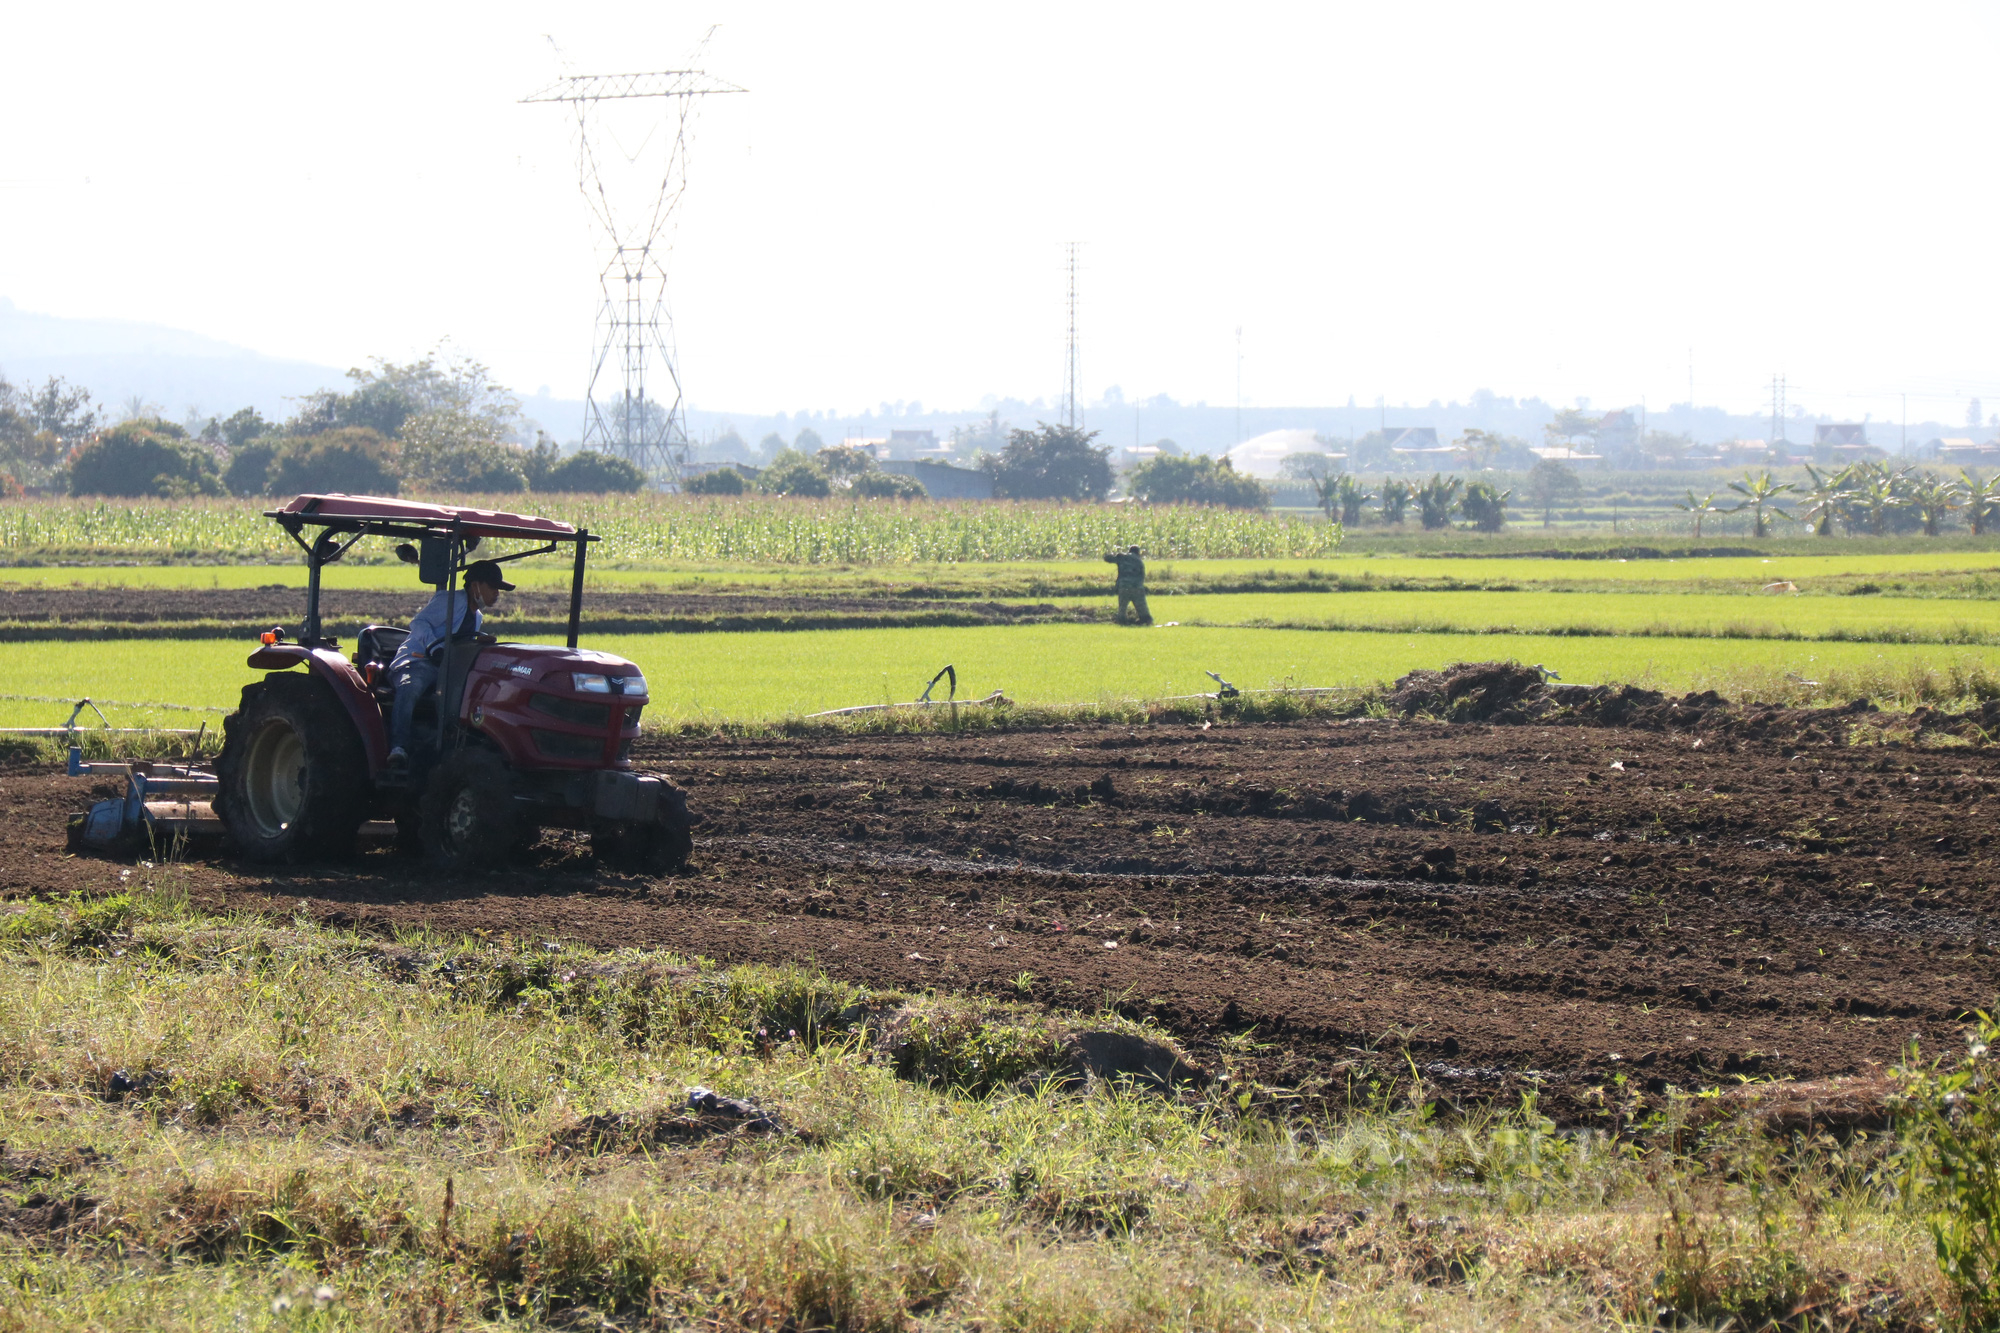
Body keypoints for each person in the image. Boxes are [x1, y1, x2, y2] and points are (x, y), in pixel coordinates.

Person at [387, 559, 513, 768]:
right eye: (492, 588)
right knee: (411, 686)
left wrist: (476, 641)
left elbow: (459, 642)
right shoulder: (450, 601)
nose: (497, 594)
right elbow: (418, 622)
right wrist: (435, 648)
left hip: (446, 670)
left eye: (499, 589)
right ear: (475, 586)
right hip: (419, 662)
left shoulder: (477, 617)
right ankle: (398, 747)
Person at [1103, 544, 1151, 624]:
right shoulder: (1139, 561)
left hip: (1124, 587)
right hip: (1137, 588)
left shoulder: (1122, 557)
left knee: (1122, 608)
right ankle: (1146, 622)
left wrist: (1110, 554)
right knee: (1142, 608)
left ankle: (1122, 622)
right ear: (1138, 553)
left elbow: (1107, 559)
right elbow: (1142, 576)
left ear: (1129, 551)